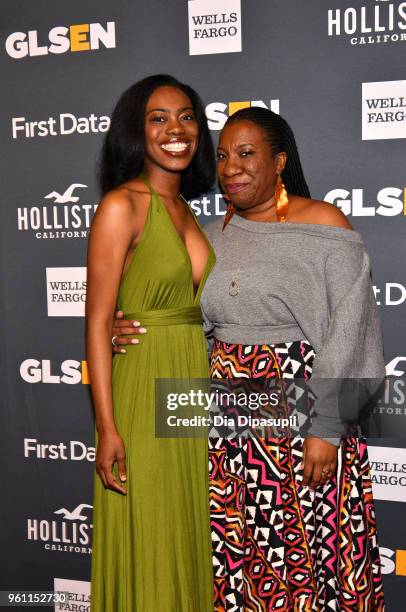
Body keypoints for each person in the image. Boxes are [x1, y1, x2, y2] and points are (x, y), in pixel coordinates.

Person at [110, 107, 386, 610]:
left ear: (279, 161)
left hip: (305, 412)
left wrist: (327, 428)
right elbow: (180, 313)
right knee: (244, 555)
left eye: (246, 154)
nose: (230, 167)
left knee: (311, 553)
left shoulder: (322, 221)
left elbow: (353, 328)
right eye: (221, 156)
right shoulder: (209, 236)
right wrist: (120, 323)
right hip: (229, 425)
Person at [86, 74, 216, 611]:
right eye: (158, 119)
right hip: (144, 387)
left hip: (193, 388)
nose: (176, 130)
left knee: (189, 527)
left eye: (186, 116)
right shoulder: (122, 205)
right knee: (154, 526)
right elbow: (96, 322)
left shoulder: (196, 212)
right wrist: (107, 427)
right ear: (135, 133)